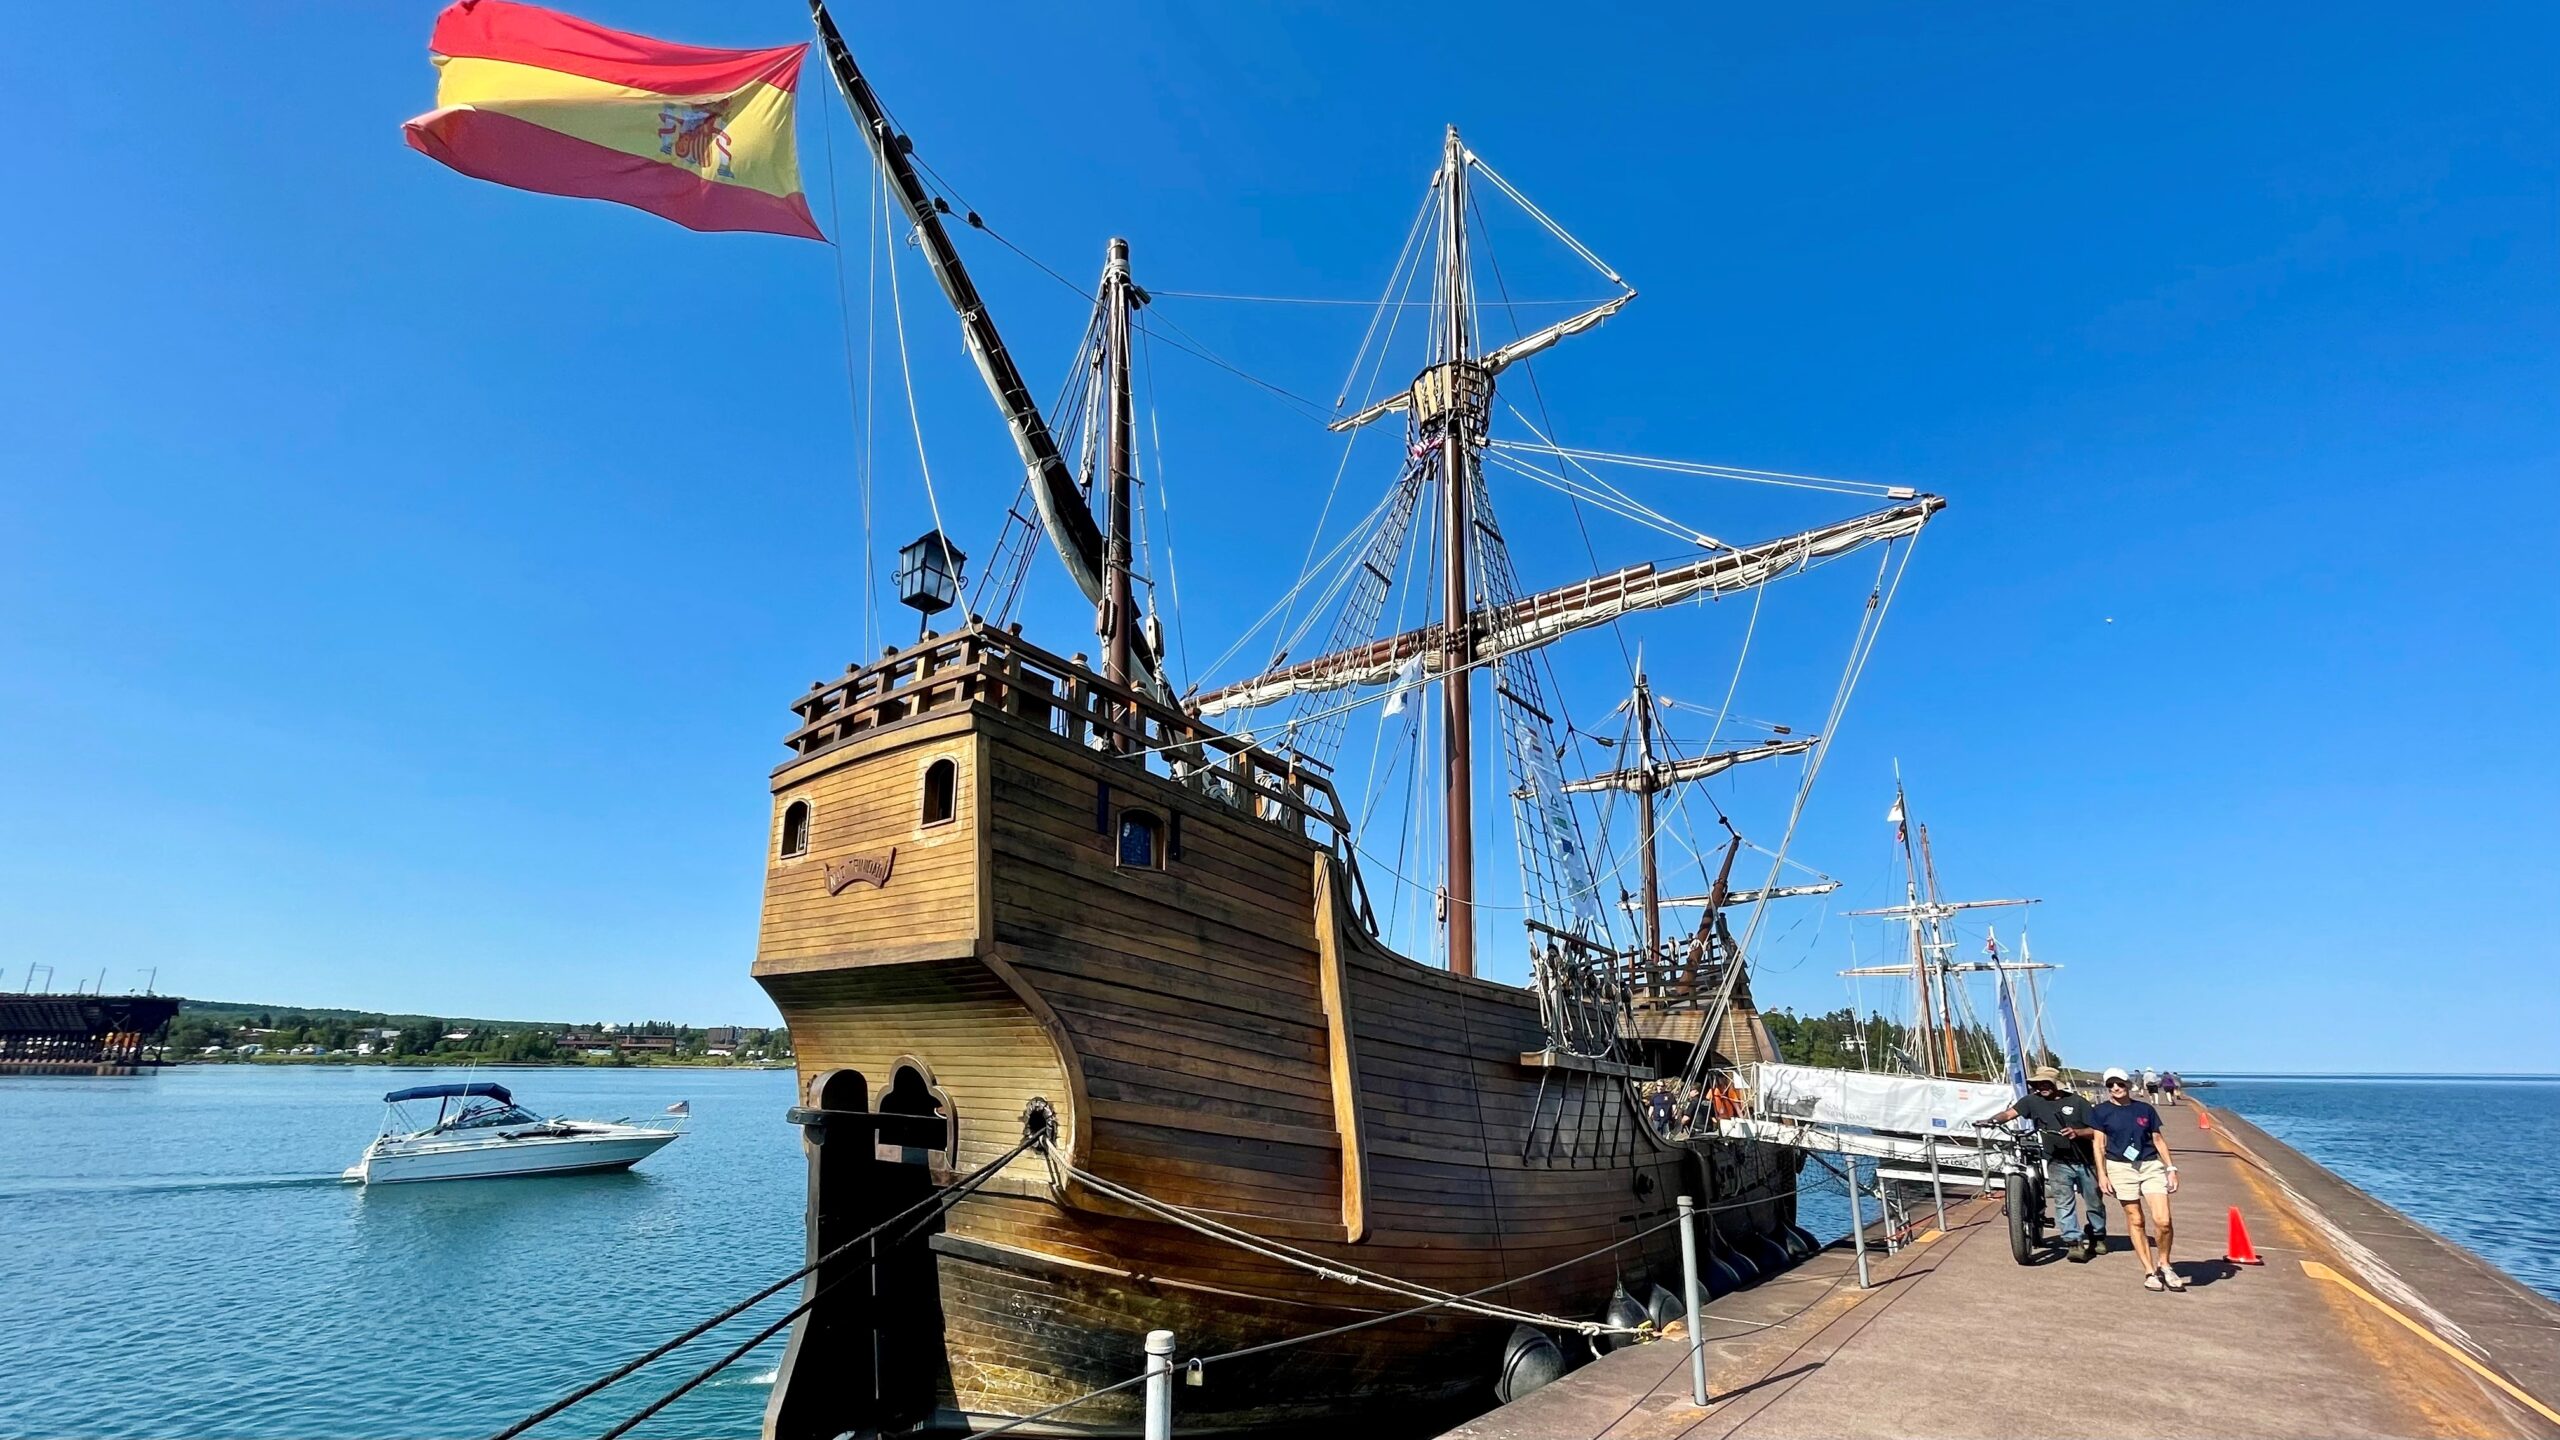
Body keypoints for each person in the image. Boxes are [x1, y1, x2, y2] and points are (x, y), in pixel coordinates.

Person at [1987, 1065, 2107, 1262]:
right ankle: (2073, 1242)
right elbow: (2009, 1114)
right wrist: (1991, 1121)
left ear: (2055, 1084)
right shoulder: (2032, 1101)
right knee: (2063, 1201)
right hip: (2057, 1160)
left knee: (2094, 1201)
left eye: (2045, 1083)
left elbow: (2096, 1131)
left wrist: (2078, 1133)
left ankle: (2097, 1234)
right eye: (2037, 1084)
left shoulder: (2078, 1102)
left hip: (2085, 1161)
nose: (2041, 1087)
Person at [2092, 1066, 2184, 1291]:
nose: (2116, 1088)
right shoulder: (2100, 1112)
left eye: (2120, 1084)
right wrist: (2102, 1174)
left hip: (2150, 1164)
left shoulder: (2145, 1109)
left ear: (2128, 1085)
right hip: (2120, 1168)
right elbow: (2099, 1144)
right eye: (2111, 1085)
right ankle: (2149, 1270)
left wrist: (2171, 1168)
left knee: (2163, 1220)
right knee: (2136, 1220)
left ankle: (2165, 1263)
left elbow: (2158, 1139)